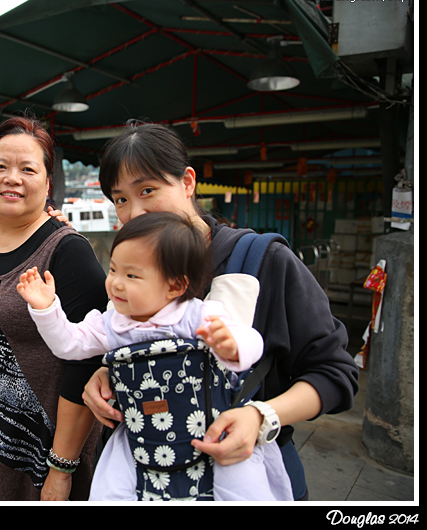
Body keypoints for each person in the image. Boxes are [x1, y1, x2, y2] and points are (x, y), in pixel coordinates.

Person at [81, 122, 359, 501]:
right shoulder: (131, 271)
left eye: (148, 190)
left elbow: (335, 373)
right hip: (147, 479)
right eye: (121, 199)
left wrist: (262, 417)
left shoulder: (263, 261)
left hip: (244, 476)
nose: (136, 211)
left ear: (188, 182)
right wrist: (106, 373)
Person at [17, 212, 292, 501]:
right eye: (113, 270)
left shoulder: (198, 315)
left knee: (241, 486)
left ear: (175, 285)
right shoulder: (112, 323)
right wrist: (46, 308)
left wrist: (232, 345)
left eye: (131, 275)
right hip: (140, 432)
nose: (116, 283)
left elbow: (254, 342)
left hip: (210, 425)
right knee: (111, 489)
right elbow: (69, 345)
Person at [0, 116, 109, 501]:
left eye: (27, 169)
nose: (11, 178)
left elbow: (87, 364)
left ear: (48, 183)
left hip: (48, 458)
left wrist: (62, 468)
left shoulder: (68, 252)